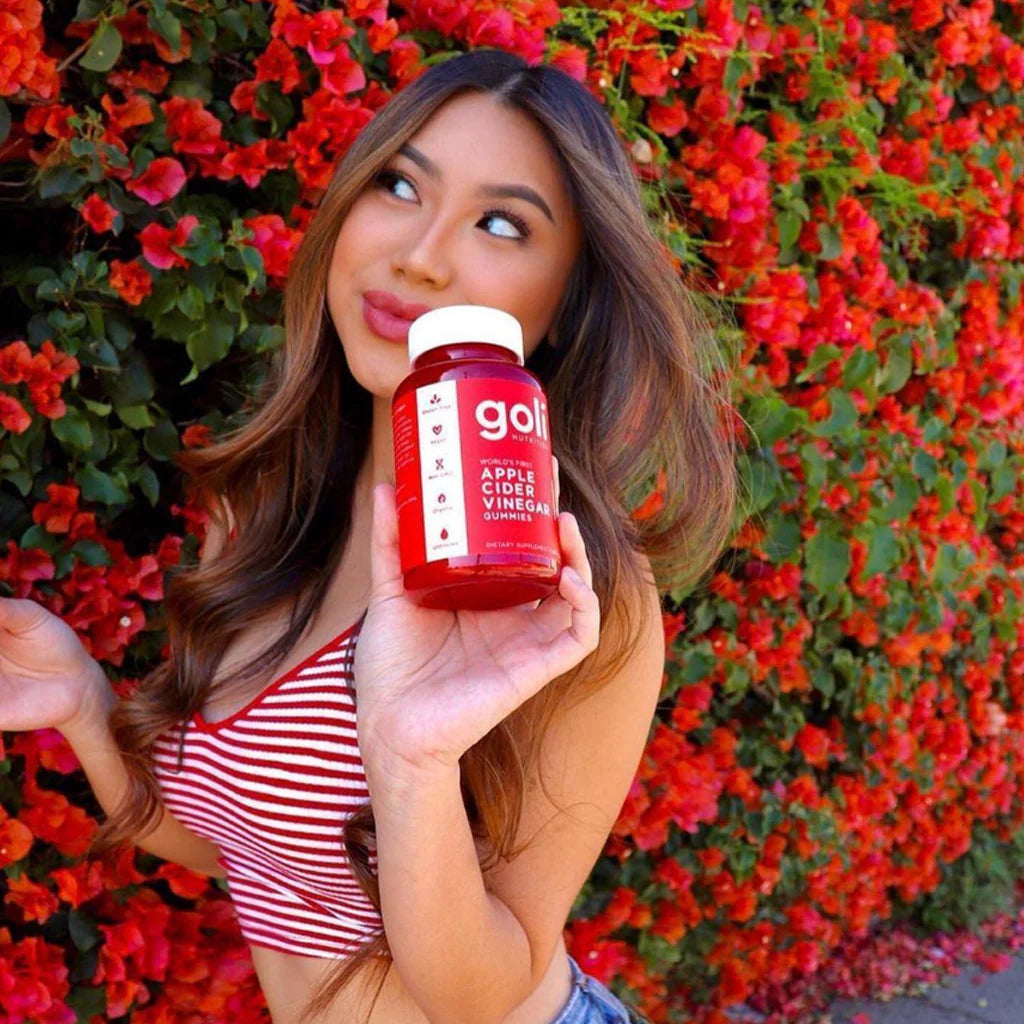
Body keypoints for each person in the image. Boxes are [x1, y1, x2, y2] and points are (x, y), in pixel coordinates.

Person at [0, 48, 735, 1024]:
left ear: (564, 305)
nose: (420, 254)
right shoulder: (263, 509)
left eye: (501, 224)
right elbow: (241, 849)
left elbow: (485, 992)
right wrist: (83, 701)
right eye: (398, 184)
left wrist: (411, 763)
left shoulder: (565, 585)